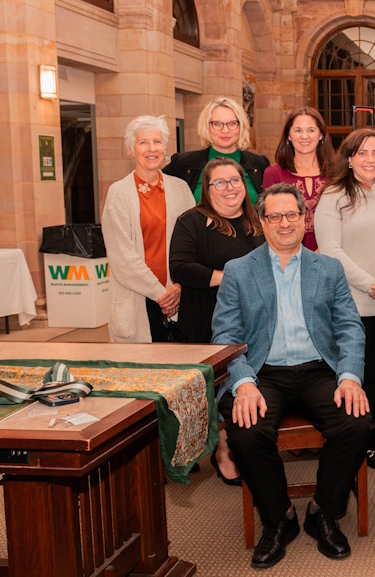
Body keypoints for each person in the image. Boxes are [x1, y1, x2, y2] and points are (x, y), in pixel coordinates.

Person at [211, 183, 373, 569]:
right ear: (262, 222)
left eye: (292, 215)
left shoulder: (328, 267)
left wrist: (349, 376)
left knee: (357, 423)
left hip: (319, 369)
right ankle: (279, 517)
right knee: (246, 431)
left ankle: (323, 512)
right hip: (262, 371)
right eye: (275, 216)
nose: (285, 223)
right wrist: (244, 383)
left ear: (305, 219)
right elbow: (226, 336)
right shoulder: (239, 270)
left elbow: (350, 327)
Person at [170, 158, 266, 487]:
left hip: (252, 319)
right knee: (215, 384)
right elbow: (180, 267)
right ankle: (222, 446)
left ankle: (243, 437)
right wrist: (230, 278)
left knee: (246, 378)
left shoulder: (257, 220)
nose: (229, 188)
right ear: (206, 189)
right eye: (219, 183)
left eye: (235, 181)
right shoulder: (192, 222)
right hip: (206, 318)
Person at [313, 128, 375, 419]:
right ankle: (363, 448)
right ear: (349, 159)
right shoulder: (333, 196)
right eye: (362, 153)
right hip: (350, 305)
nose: (370, 159)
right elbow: (330, 251)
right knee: (359, 380)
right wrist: (371, 284)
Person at [102, 115, 195, 343]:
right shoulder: (119, 194)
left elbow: (195, 244)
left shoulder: (181, 189)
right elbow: (122, 256)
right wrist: (162, 294)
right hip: (139, 299)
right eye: (143, 142)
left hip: (179, 297)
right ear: (130, 150)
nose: (151, 148)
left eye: (157, 141)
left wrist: (179, 287)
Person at [163, 97, 269, 203]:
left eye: (232, 123)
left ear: (241, 126)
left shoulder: (260, 164)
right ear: (207, 127)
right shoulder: (184, 163)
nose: (225, 130)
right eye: (217, 124)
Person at [262, 107, 334, 251]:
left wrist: (324, 251)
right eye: (298, 130)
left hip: (331, 254)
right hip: (285, 256)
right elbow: (269, 222)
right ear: (289, 136)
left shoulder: (336, 173)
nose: (304, 136)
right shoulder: (273, 174)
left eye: (311, 130)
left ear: (321, 135)